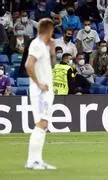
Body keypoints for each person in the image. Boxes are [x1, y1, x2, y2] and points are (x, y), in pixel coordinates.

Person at [24, 18, 57, 170]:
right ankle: (32, 161)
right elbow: (28, 64)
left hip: (45, 91)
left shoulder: (43, 45)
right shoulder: (37, 44)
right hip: (40, 91)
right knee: (41, 123)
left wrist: (52, 51)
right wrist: (38, 83)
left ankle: (37, 159)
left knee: (44, 124)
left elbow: (49, 65)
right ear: (49, 30)